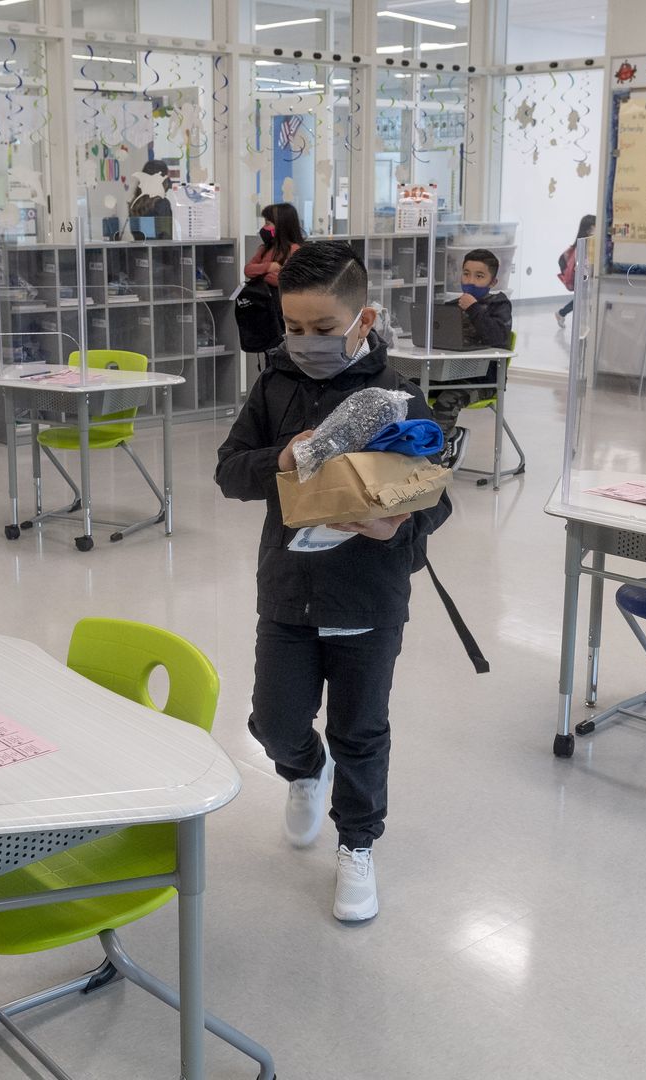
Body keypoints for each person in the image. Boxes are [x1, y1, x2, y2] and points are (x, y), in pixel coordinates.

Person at [214, 241, 453, 924]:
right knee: (274, 721)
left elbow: (434, 499)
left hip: (367, 597)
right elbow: (229, 471)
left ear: (363, 319)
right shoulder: (274, 386)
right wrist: (281, 457)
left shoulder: (401, 398)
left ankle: (357, 844)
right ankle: (302, 771)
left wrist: (393, 529)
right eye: (294, 329)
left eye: (323, 330)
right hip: (288, 591)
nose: (306, 343)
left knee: (360, 729)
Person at [428, 248, 514, 462]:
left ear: (492, 282)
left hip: (485, 381)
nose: (470, 280)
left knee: (449, 399)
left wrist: (474, 309)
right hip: (449, 374)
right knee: (409, 388)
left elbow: (498, 339)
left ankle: (435, 455)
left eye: (479, 276)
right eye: (466, 273)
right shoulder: (451, 307)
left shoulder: (499, 305)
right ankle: (439, 438)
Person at [245, 202, 306, 286]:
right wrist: (269, 267)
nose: (264, 228)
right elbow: (248, 270)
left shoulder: (294, 250)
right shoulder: (264, 248)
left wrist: (260, 275)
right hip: (262, 296)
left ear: (281, 226)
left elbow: (285, 280)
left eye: (267, 223)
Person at [556, 214, 598, 327]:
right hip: (583, 278)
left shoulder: (589, 243)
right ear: (589, 229)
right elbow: (581, 265)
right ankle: (562, 313)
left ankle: (561, 313)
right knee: (581, 300)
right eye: (596, 226)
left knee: (580, 300)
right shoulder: (583, 245)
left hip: (586, 278)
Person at [127, 160, 174, 240]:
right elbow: (165, 236)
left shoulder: (135, 204)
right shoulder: (162, 204)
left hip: (140, 251)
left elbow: (139, 235)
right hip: (157, 251)